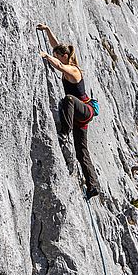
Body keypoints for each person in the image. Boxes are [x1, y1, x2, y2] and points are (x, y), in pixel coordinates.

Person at [36, 23, 100, 198]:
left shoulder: (72, 69)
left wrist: (47, 56)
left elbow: (60, 66)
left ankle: (64, 132)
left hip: (84, 110)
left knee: (68, 99)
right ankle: (93, 185)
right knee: (81, 151)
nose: (56, 56)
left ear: (64, 56)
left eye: (58, 55)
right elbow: (56, 45)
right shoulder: (66, 57)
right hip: (80, 115)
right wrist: (48, 29)